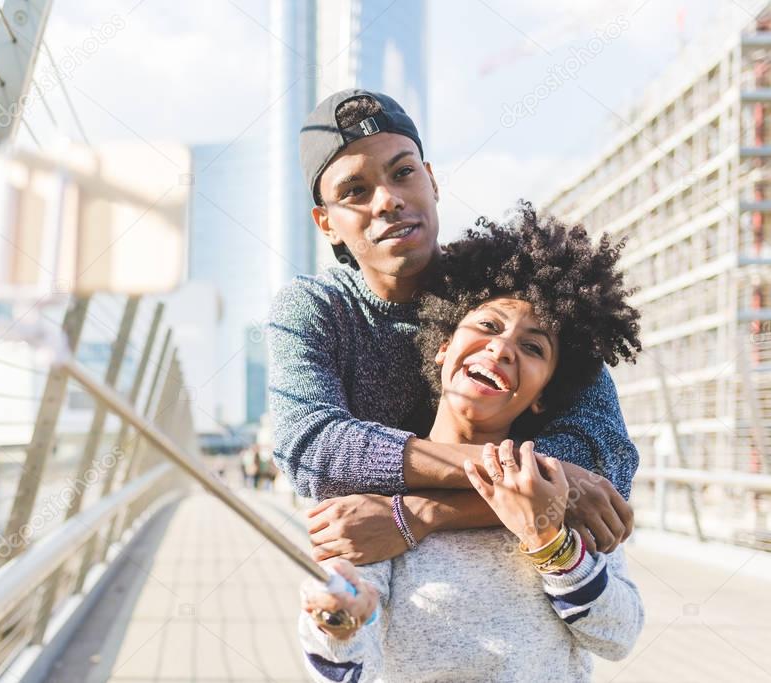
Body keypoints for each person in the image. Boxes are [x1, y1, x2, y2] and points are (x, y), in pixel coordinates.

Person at [268, 89, 637, 563]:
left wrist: (420, 515)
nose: (387, 200)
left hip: (525, 584)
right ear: (327, 224)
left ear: (432, 181)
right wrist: (549, 479)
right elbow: (313, 450)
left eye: (403, 172)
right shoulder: (317, 309)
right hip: (379, 592)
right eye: (354, 192)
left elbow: (606, 457)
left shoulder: (508, 288)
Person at [298, 205, 644, 681]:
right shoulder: (370, 500)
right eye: (488, 326)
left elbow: (619, 636)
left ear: (544, 396)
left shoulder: (562, 498)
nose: (502, 349)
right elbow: (345, 670)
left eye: (533, 347)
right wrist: (338, 623)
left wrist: (550, 544)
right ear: (442, 344)